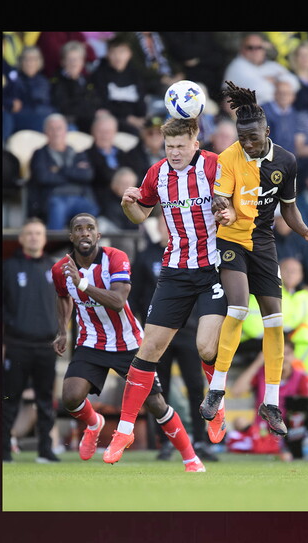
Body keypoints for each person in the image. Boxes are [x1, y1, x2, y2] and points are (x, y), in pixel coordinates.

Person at [201, 81, 308, 437]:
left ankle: (270, 402)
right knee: (240, 308)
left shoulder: (286, 162)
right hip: (230, 238)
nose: (248, 143)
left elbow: (288, 209)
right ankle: (216, 391)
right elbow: (219, 201)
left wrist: (306, 232)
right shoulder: (229, 158)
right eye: (243, 138)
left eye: (254, 137)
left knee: (275, 320)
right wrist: (223, 211)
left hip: (263, 243)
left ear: (267, 131)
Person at [103, 116, 229, 464]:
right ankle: (124, 431)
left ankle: (216, 403)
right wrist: (130, 203)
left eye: (179, 146)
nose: (173, 153)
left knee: (206, 347)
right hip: (175, 271)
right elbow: (139, 216)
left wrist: (229, 212)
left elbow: (236, 201)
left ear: (195, 142)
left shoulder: (215, 166)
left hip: (212, 269)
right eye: (168, 146)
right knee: (148, 351)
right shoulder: (156, 173)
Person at [51, 213, 206, 472]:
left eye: (90, 228)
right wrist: (63, 331)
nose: (85, 233)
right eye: (79, 229)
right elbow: (63, 296)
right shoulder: (60, 269)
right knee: (70, 397)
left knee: (156, 404)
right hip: (91, 343)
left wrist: (83, 284)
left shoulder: (115, 258)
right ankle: (93, 424)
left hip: (129, 344)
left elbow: (118, 301)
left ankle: (191, 458)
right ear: (72, 237)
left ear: (98, 235)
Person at [129, 214, 218, 462]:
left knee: (195, 387)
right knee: (160, 389)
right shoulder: (147, 255)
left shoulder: (196, 253)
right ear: (158, 227)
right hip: (159, 335)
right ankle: (166, 443)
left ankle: (202, 441)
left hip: (189, 332)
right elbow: (135, 296)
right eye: (162, 224)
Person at [3, 218, 60, 463]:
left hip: (47, 346)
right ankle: (3, 450)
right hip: (17, 344)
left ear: (44, 238)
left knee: (45, 401)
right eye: (30, 233)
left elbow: (65, 306)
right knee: (9, 399)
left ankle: (45, 450)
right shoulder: (8, 268)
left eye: (38, 233)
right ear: (22, 238)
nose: (34, 237)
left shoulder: (54, 268)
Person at [229, 334, 308, 460]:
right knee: (239, 421)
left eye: (287, 354)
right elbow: (236, 391)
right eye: (279, 353)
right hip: (262, 430)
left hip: (289, 430)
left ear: (293, 356)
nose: (283, 358)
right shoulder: (262, 373)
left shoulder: (301, 378)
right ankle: (271, 447)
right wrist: (258, 362)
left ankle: (268, 447)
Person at [30, 113, 98, 230]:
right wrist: (73, 174)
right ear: (45, 132)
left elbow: (87, 175)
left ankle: (87, 247)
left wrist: (59, 170)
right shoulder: (40, 154)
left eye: (59, 128)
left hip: (78, 198)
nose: (56, 132)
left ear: (66, 131)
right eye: (51, 129)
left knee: (92, 209)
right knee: (57, 208)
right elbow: (43, 177)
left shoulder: (77, 153)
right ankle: (53, 246)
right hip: (54, 197)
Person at [89, 36, 148, 136]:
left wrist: (141, 118)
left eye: (122, 52)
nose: (118, 56)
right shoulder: (99, 75)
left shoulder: (135, 74)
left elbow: (141, 99)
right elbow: (102, 104)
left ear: (129, 54)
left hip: (137, 119)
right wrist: (127, 118)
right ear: (107, 54)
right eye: (114, 52)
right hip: (113, 119)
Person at [221, 33, 300, 106]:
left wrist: (274, 81)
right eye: (250, 47)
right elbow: (260, 90)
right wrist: (280, 84)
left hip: (277, 113)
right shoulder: (236, 66)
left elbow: (295, 84)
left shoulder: (272, 65)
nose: (255, 51)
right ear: (242, 49)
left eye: (259, 47)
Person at [85, 112, 138, 207]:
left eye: (108, 132)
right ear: (93, 132)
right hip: (103, 199)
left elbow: (135, 173)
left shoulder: (124, 153)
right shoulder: (86, 154)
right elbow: (95, 178)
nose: (105, 136)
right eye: (101, 131)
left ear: (115, 133)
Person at [50, 41, 103, 133]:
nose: (74, 63)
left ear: (82, 61)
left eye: (77, 59)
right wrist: (90, 111)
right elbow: (64, 107)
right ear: (63, 62)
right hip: (70, 122)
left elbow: (96, 101)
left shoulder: (88, 80)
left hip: (89, 119)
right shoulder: (57, 81)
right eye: (70, 59)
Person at [3, 46, 56, 136]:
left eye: (33, 59)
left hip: (40, 116)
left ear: (39, 62)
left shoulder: (44, 81)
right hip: (20, 117)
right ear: (21, 62)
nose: (29, 63)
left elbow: (47, 104)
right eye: (26, 59)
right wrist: (10, 103)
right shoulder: (13, 79)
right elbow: (5, 98)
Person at [96, 166, 141, 233]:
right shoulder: (108, 201)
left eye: (131, 184)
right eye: (124, 184)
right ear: (115, 184)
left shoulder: (136, 202)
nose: (128, 187)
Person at [261, 80, 300, 154]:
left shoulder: (293, 113)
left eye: (287, 93)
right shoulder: (263, 111)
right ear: (274, 94)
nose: (283, 96)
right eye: (280, 93)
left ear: (293, 97)